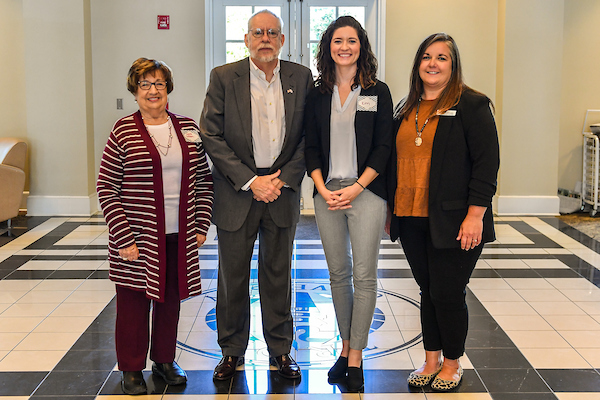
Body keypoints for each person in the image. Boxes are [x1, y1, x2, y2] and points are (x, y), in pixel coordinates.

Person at [199, 10, 314, 381]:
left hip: (281, 192)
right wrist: (251, 180)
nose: (265, 38)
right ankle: (232, 352)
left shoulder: (302, 77)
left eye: (272, 33)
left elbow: (307, 137)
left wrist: (283, 179)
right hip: (237, 194)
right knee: (232, 278)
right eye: (257, 32)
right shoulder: (223, 77)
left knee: (278, 275)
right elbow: (211, 135)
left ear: (282, 40)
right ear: (246, 39)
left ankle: (280, 351)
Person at [386, 33, 499, 391]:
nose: (432, 64)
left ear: (454, 65)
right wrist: (392, 208)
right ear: (418, 63)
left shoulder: (472, 104)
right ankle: (430, 358)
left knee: (448, 292)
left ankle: (452, 362)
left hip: (455, 218)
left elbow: (487, 164)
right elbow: (397, 161)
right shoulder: (406, 106)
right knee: (427, 289)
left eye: (442, 58)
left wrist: (475, 215)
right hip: (411, 215)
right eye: (426, 57)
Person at [97, 58, 214, 395]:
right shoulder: (123, 130)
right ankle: (131, 367)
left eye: (159, 83)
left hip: (179, 234)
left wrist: (201, 224)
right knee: (133, 304)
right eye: (145, 84)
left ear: (168, 89)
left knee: (170, 301)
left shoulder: (189, 127)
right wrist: (123, 237)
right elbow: (107, 186)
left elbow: (205, 181)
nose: (153, 90)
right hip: (136, 238)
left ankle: (164, 360)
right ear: (134, 91)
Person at [304, 16, 393, 392]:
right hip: (327, 194)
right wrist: (323, 190)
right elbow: (310, 146)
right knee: (337, 275)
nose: (345, 46)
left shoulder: (377, 90)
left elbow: (383, 148)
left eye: (351, 40)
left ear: (361, 46)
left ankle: (356, 355)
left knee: (364, 276)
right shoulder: (318, 93)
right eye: (338, 40)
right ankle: (344, 348)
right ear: (328, 47)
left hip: (367, 192)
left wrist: (355, 188)